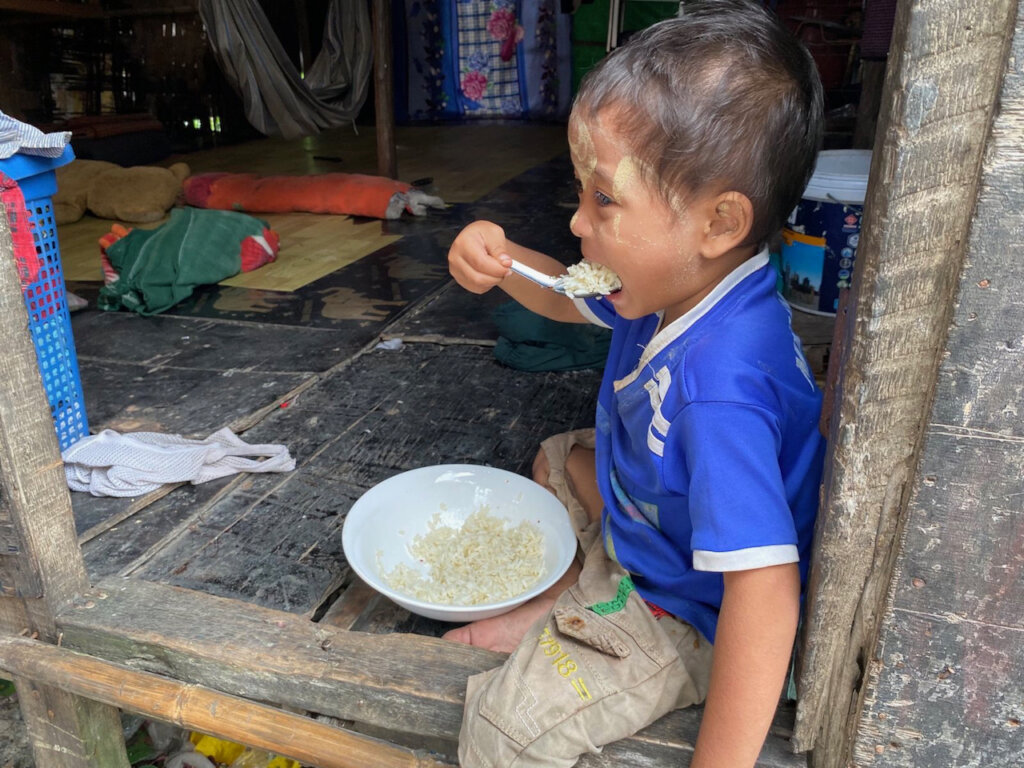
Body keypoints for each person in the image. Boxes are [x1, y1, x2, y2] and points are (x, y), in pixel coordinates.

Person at [445, 1, 826, 765]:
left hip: (690, 607)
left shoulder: (720, 392)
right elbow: (563, 291)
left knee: (496, 737)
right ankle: (576, 594)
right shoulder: (672, 281)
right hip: (657, 518)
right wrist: (499, 255)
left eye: (605, 199)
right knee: (558, 459)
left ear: (718, 222)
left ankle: (599, 610)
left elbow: (765, 593)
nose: (579, 223)